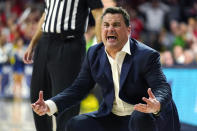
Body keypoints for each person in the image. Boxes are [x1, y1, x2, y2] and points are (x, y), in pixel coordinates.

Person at [31, 7, 180, 131]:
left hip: (147, 117)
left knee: (139, 116)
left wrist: (157, 104)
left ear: (128, 30)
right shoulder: (94, 53)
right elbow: (78, 89)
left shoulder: (146, 55)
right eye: (106, 25)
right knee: (76, 124)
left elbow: (162, 87)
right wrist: (50, 105)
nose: (110, 29)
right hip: (114, 118)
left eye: (116, 25)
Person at [23, 0, 103, 131]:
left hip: (69, 43)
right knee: (37, 98)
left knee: (65, 102)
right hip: (44, 42)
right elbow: (46, 14)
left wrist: (100, 48)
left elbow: (99, 14)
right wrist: (33, 43)